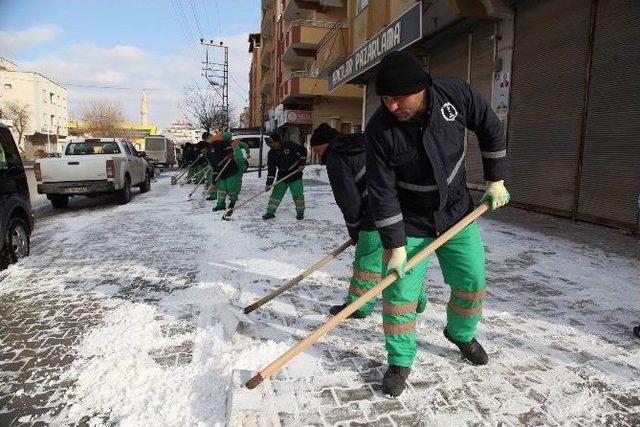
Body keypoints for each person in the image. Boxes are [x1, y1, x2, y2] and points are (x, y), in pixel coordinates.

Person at [366, 51, 510, 397]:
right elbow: (382, 191)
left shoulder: (455, 96)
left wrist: (496, 180)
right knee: (399, 294)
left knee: (472, 280)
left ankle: (460, 333)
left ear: (421, 89)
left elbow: (490, 127)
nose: (392, 106)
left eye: (398, 98)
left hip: (457, 214)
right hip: (411, 220)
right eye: (385, 99)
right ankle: (400, 360)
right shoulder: (379, 130)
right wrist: (396, 246)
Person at [310, 123, 385, 319]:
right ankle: (416, 300)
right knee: (400, 257)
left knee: (367, 262)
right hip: (401, 206)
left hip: (376, 213)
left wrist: (354, 229)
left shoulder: (337, 156)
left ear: (325, 144)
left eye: (318, 150)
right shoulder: (360, 143)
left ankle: (359, 307)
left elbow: (348, 199)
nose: (319, 156)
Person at [262, 131, 307, 220]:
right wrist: (269, 183)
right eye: (270, 144)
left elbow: (303, 150)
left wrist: (302, 163)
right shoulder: (271, 154)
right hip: (282, 175)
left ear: (278, 141)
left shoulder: (288, 145)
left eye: (273, 142)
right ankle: (270, 212)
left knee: (298, 194)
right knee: (276, 194)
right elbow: (271, 170)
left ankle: (300, 212)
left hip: (295, 173)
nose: (272, 145)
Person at [206, 132, 244, 211]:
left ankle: (233, 201)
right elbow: (214, 167)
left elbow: (238, 155)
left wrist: (231, 153)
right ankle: (220, 205)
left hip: (231, 169)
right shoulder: (209, 154)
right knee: (221, 189)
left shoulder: (229, 143)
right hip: (221, 171)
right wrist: (214, 178)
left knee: (231, 188)